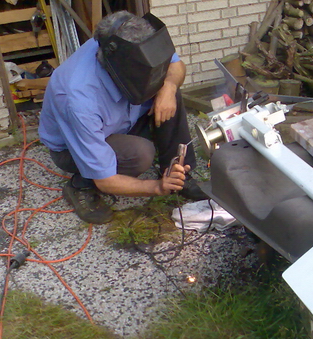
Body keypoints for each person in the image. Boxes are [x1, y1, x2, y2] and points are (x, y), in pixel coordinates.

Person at [39, 11, 206, 224]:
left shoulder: (132, 42)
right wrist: (156, 187)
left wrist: (169, 87)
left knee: (169, 92)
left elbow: (176, 66)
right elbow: (106, 181)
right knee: (140, 154)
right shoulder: (79, 99)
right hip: (72, 147)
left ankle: (178, 174)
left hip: (121, 121)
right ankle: (81, 184)